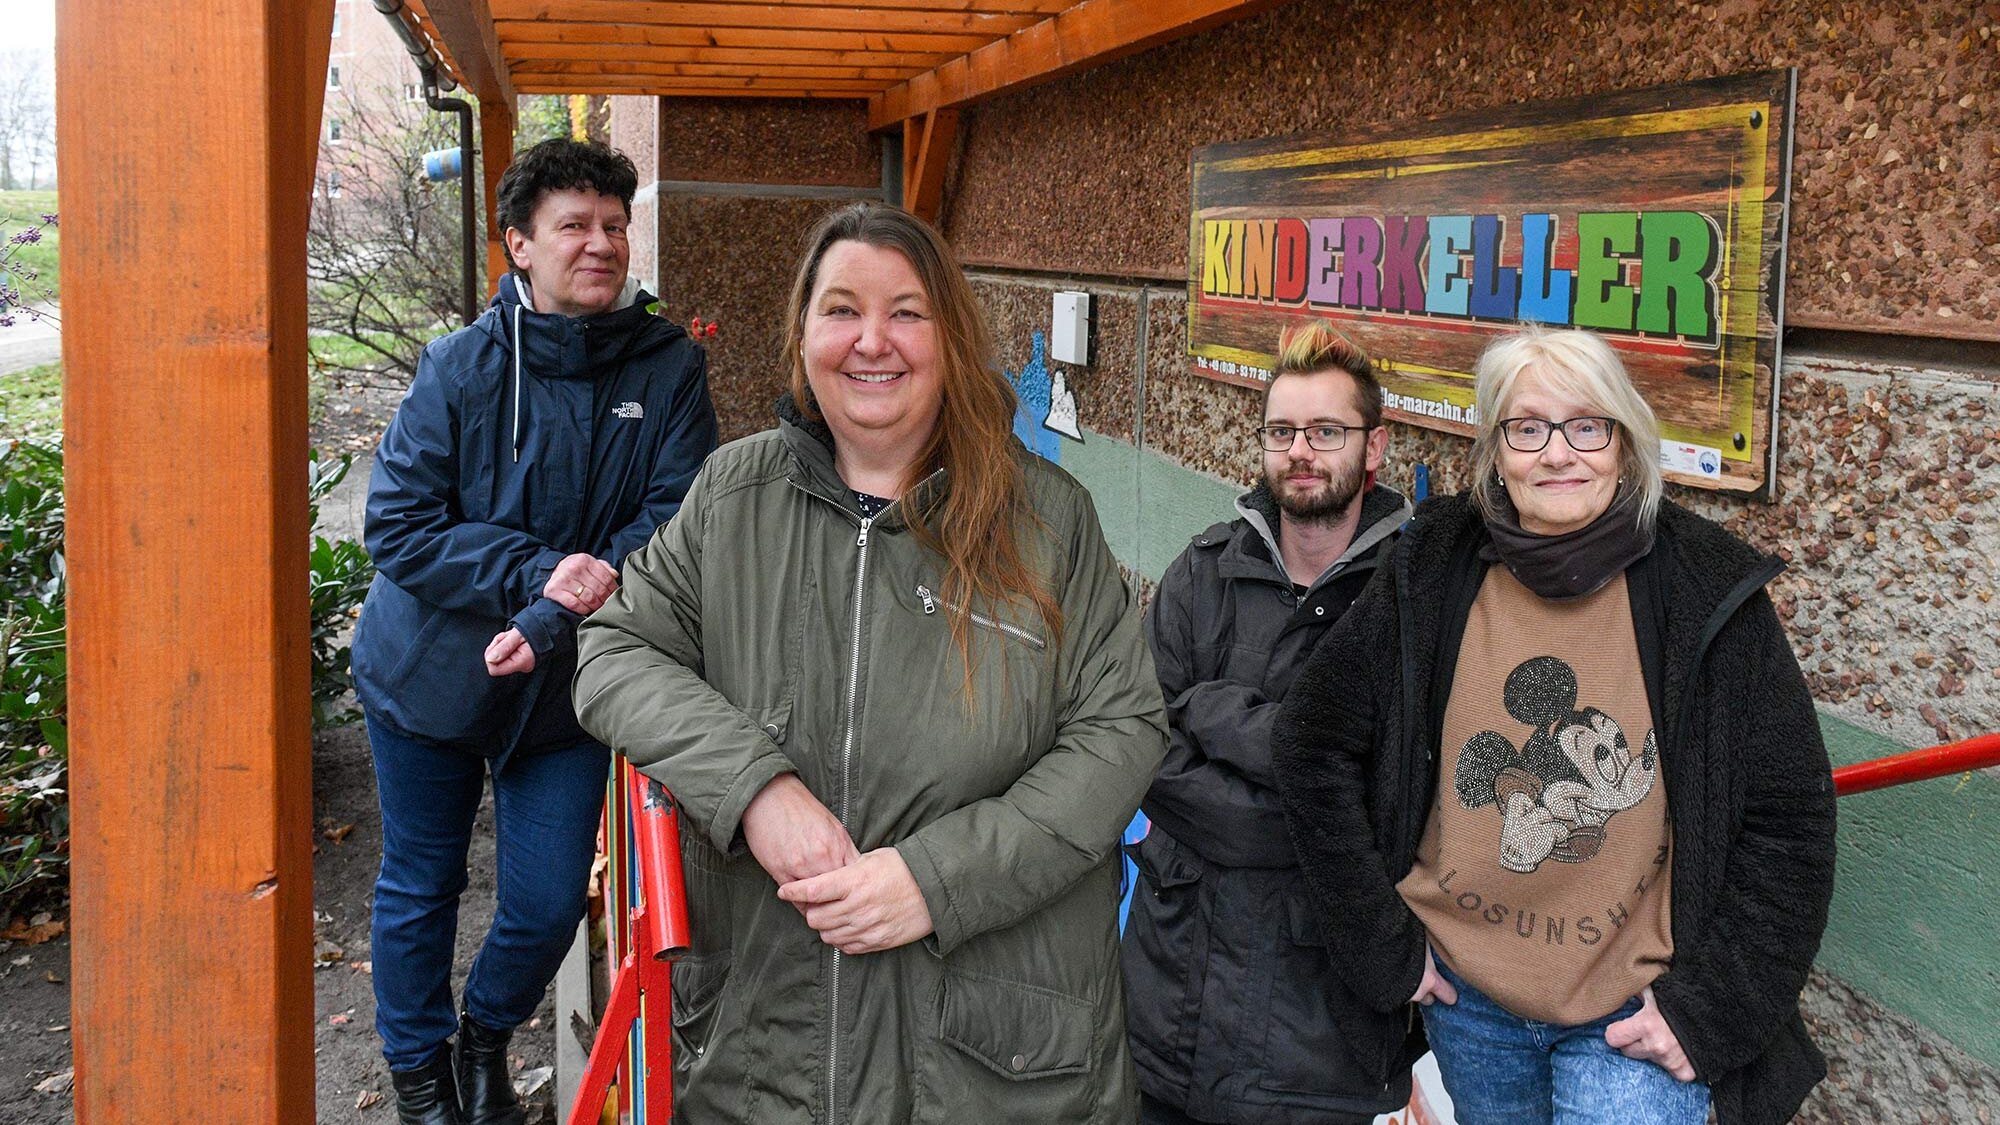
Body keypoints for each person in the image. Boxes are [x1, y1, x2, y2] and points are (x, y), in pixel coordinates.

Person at [573, 202, 1167, 1125]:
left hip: (992, 1058)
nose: (871, 341)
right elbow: (614, 647)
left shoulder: (1047, 520)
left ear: (950, 336)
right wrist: (756, 789)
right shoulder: (736, 494)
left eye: (906, 312)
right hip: (768, 1042)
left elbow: (1123, 731)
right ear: (804, 331)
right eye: (842, 309)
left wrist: (937, 879)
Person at [1272, 327, 1836, 1125]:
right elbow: (1311, 740)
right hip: (1469, 1000)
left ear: (1625, 442)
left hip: (1632, 1015)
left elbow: (1791, 821)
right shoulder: (1433, 563)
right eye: (1528, 427)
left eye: (1587, 425)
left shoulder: (1708, 589)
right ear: (1496, 450)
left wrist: (1710, 1011)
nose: (1559, 453)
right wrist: (1380, 943)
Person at [350, 137, 719, 1125]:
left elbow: (675, 521)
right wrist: (529, 574)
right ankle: (422, 1080)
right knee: (422, 883)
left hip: (563, 685)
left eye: (613, 225)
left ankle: (484, 1034)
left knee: (549, 901)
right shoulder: (460, 368)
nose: (599, 244)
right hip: (428, 676)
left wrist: (552, 613)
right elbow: (396, 526)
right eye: (573, 226)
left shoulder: (669, 365)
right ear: (519, 243)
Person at [1122, 321, 1415, 1125]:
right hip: (1164, 1004)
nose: (1302, 451)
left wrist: (1211, 711)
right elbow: (1140, 744)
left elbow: (1387, 800)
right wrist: (1308, 789)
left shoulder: (1410, 601)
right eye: (1283, 431)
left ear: (1375, 446)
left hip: (1315, 1045)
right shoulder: (1203, 569)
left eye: (1327, 431)